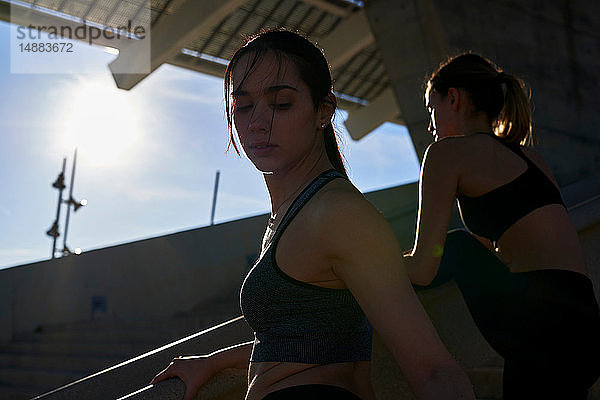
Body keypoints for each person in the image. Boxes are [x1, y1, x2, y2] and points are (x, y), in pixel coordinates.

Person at [151, 30, 475, 400]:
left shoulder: (338, 214)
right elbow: (310, 337)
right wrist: (215, 360)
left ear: (323, 110)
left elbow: (434, 369)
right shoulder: (300, 211)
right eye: (243, 106)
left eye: (281, 104)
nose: (257, 122)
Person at [404, 52, 600, 399]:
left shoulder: (447, 154)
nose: (430, 125)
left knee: (456, 245)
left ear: (454, 98)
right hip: (585, 325)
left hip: (540, 323)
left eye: (430, 109)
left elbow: (423, 267)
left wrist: (365, 268)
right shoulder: (532, 159)